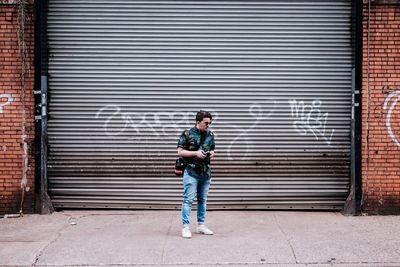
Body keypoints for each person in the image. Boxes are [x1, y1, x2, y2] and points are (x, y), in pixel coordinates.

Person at [177, 110, 215, 238]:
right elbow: (180, 152)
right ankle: (185, 227)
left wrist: (211, 154)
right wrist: (195, 153)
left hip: (205, 172)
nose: (208, 125)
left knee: (202, 200)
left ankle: (201, 225)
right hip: (191, 172)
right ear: (198, 121)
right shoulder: (187, 134)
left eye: (210, 123)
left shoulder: (210, 134)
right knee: (188, 200)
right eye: (206, 123)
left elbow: (213, 150)